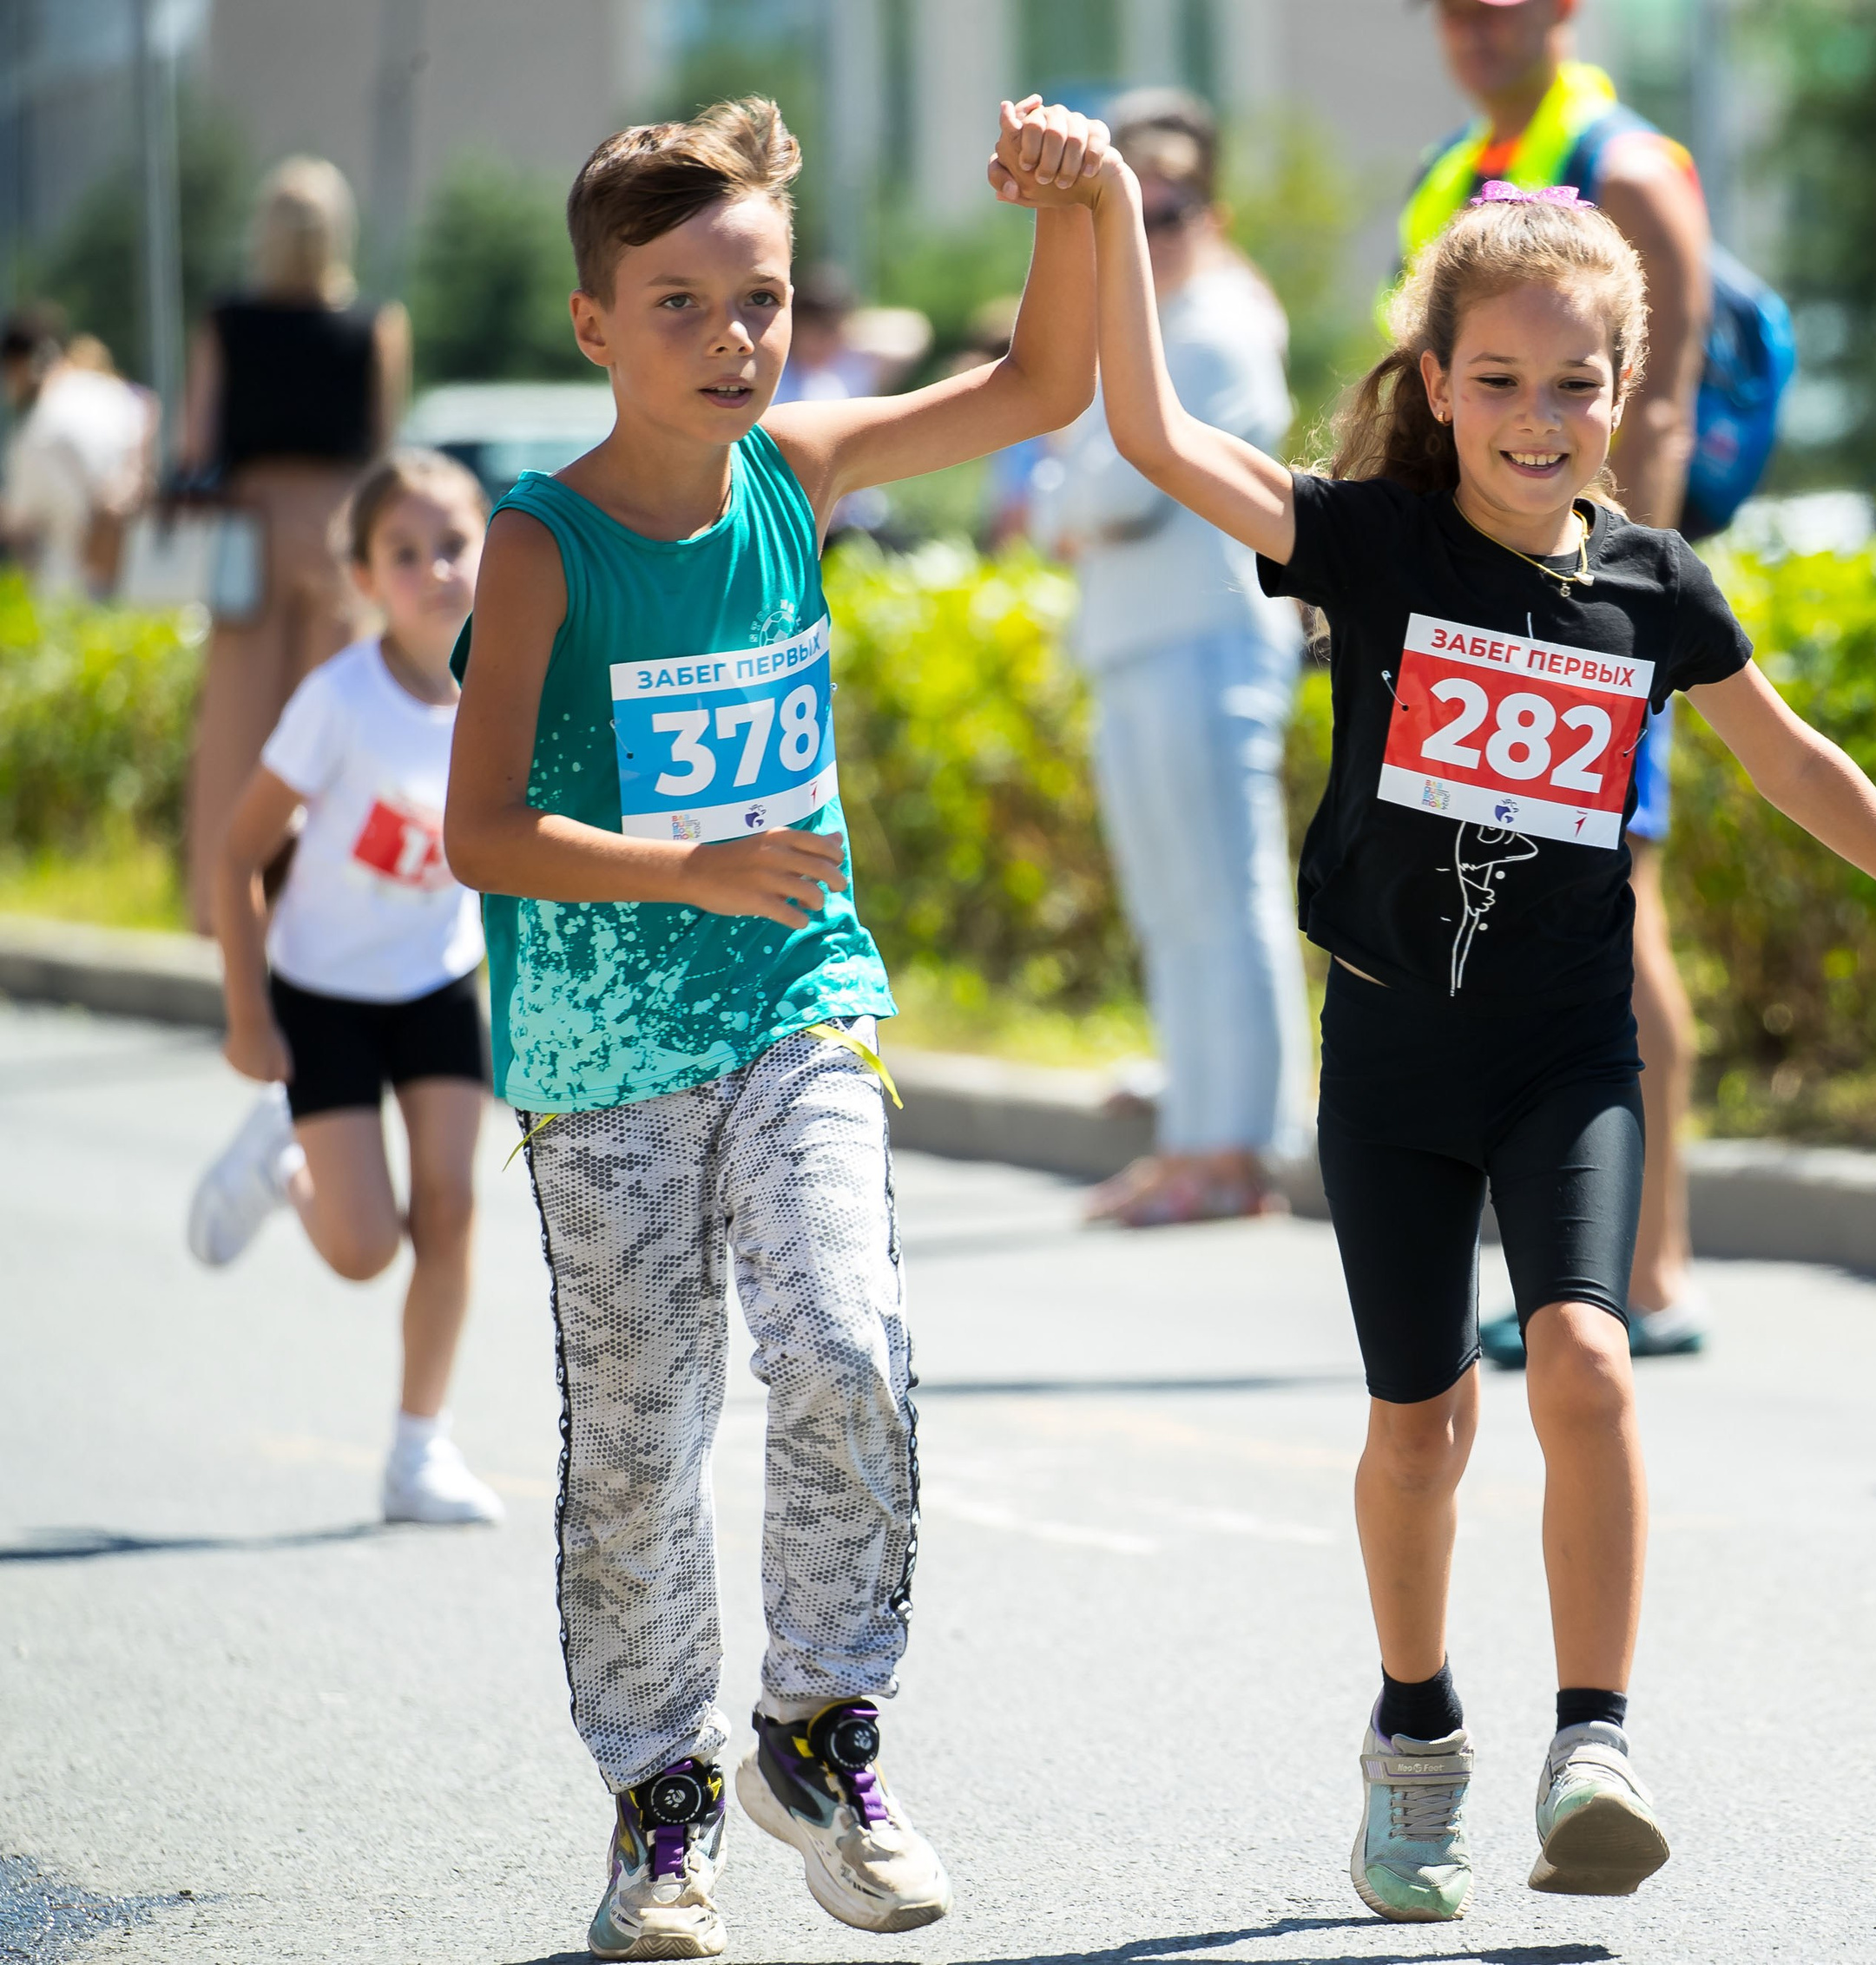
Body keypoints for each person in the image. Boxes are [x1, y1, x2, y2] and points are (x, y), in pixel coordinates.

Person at [1000, 135, 1876, 1917]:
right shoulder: (1373, 539)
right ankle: (1414, 1738)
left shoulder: (1651, 583)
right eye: (1496, 382)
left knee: (1585, 1354)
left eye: (1574, 385)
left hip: (1566, 1056)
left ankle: (1594, 1742)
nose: (1535, 417)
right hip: (1395, 1063)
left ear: (1622, 393)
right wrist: (1104, 218)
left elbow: (1785, 756)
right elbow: (1161, 445)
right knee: (1418, 1426)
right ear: (1435, 386)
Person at [440, 95, 1107, 1961]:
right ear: (593, 326)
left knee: (846, 1340)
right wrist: (683, 862)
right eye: (681, 305)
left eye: (763, 301)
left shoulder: (796, 473)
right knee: (643, 1441)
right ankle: (660, 1805)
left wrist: (1077, 202)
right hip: (601, 1061)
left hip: (799, 1001)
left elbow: (1041, 384)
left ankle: (821, 1732)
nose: (735, 341)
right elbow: (475, 830)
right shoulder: (539, 546)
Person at [1405, 0, 1716, 1359]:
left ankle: (1649, 1270)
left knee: (1617, 913)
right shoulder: (1465, 164)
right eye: (1453, 8)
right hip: (1473, 615)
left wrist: (1595, 613)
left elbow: (1658, 407)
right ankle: (1605, 1262)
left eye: (1504, 4)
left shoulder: (1628, 164)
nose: (1475, 27)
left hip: (1586, 624)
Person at [186, 449, 501, 1530]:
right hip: (322, 992)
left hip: (438, 983)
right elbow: (235, 856)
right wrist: (247, 1011)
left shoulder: (507, 692)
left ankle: (420, 1449)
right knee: (366, 1250)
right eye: (403, 554)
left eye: (453, 543)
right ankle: (286, 1164)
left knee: (452, 1209)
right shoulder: (337, 700)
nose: (435, 570)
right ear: (366, 578)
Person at [1030, 89, 1310, 1227]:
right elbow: (1068, 493)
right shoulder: (1138, 329)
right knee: (1173, 904)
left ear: (1217, 209)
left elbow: (1114, 486)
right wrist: (1078, 496)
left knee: (1226, 900)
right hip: (1141, 644)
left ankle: (1237, 1152)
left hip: (1210, 643)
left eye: (1173, 203)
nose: (1152, 229)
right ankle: (1197, 1134)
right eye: (1128, 201)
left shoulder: (1225, 324)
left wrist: (1079, 495)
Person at [180, 155, 411, 935]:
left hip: (248, 524)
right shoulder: (376, 323)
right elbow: (385, 444)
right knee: (342, 716)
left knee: (240, 724)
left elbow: (195, 442)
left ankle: (228, 903)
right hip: (341, 527)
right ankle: (334, 905)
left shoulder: (227, 322)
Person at [0, 305, 156, 598]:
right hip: (144, 575)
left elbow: (21, 524)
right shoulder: (112, 391)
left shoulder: (36, 432)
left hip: (79, 592)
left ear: (19, 365)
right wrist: (134, 478)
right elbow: (149, 406)